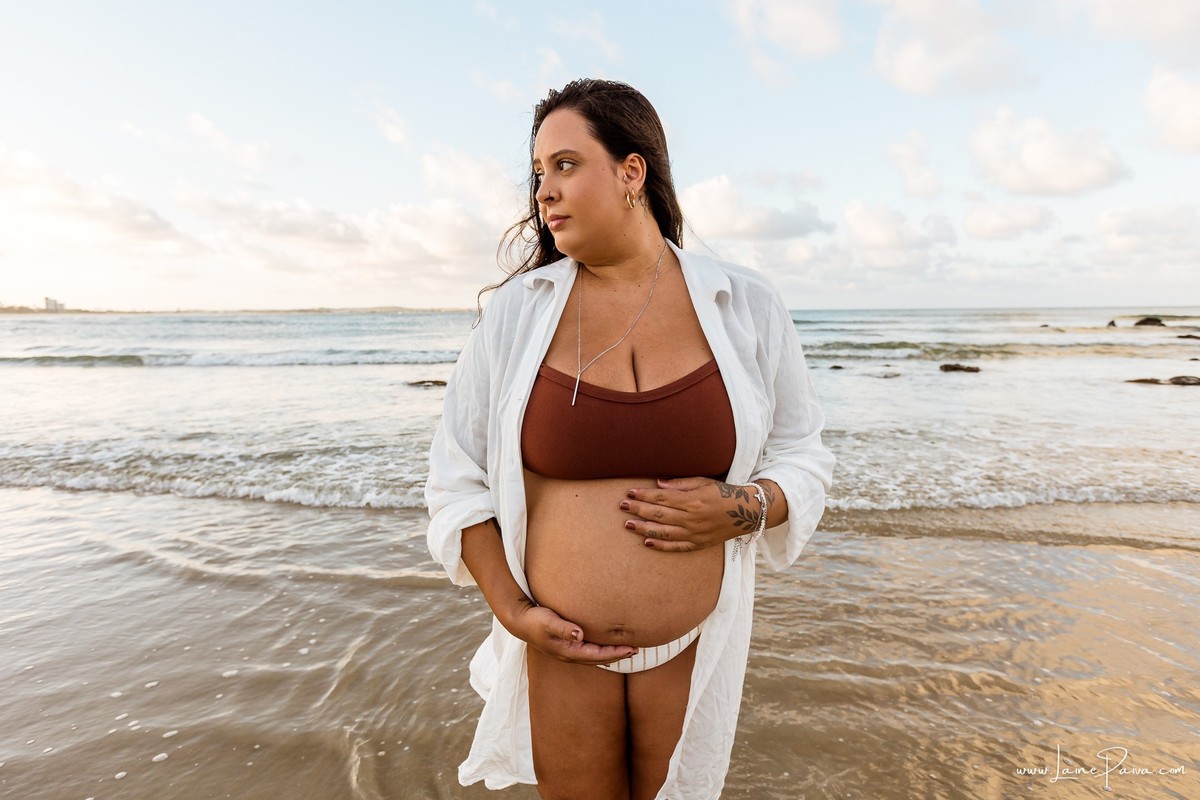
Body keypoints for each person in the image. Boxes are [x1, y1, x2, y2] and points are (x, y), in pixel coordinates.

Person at [426, 78, 835, 800]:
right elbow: (456, 481)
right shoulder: (516, 317)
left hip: (691, 644)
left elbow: (804, 455)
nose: (543, 191)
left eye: (565, 164)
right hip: (560, 649)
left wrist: (745, 506)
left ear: (631, 172)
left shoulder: (745, 304)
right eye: (538, 173)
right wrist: (515, 613)